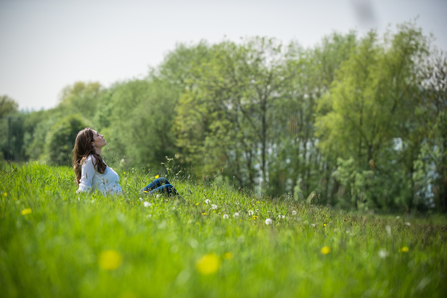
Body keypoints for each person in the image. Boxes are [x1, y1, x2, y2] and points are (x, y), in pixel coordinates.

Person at [73, 127, 179, 196]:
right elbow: (84, 188)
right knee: (168, 188)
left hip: (126, 197)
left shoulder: (98, 160)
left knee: (162, 180)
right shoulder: (90, 160)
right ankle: (189, 211)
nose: (102, 135)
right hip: (123, 203)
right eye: (97, 135)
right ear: (91, 143)